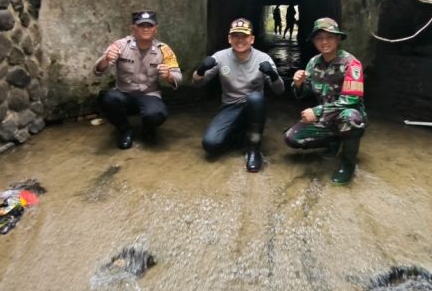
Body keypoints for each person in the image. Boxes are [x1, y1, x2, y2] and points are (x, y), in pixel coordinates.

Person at [193, 18, 285, 172]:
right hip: (230, 106)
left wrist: (273, 75)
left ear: (252, 39)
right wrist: (201, 70)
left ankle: (254, 149)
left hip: (253, 106)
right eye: (235, 36)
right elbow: (196, 84)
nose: (240, 40)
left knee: (256, 98)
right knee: (210, 145)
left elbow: (279, 90)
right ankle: (238, 134)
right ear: (229, 39)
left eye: (244, 36)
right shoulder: (220, 57)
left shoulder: (263, 58)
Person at [284, 17, 366, 185]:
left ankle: (347, 164)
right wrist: (298, 84)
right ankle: (333, 141)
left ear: (337, 39)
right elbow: (304, 93)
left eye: (329, 37)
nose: (324, 42)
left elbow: (351, 100)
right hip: (327, 119)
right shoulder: (313, 63)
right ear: (314, 41)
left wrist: (317, 111)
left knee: (351, 117)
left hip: (345, 115)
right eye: (319, 38)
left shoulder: (351, 64)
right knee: (292, 138)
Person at [94, 10, 182, 149]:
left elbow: (178, 77)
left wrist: (169, 76)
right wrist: (106, 59)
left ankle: (148, 128)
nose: (145, 29)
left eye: (149, 25)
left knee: (157, 114)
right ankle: (125, 130)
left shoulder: (164, 49)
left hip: (149, 95)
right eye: (141, 25)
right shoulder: (120, 45)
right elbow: (98, 71)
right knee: (108, 98)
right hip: (124, 94)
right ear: (133, 28)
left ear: (155, 29)